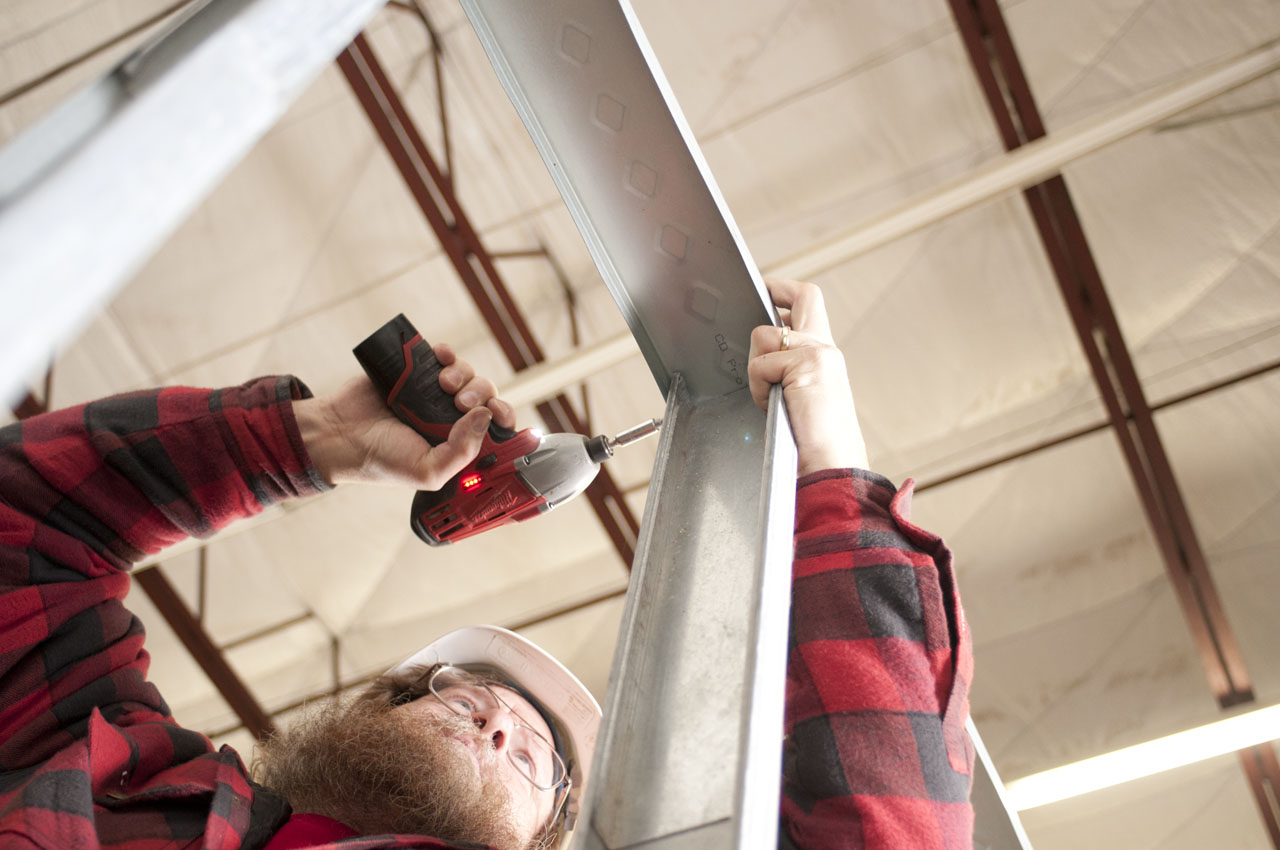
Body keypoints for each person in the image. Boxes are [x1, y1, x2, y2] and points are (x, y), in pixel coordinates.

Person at [0, 278, 972, 849]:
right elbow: (27, 529)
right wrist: (306, 438)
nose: (500, 723)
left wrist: (835, 470)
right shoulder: (126, 785)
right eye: (465, 694)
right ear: (370, 713)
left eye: (539, 753)